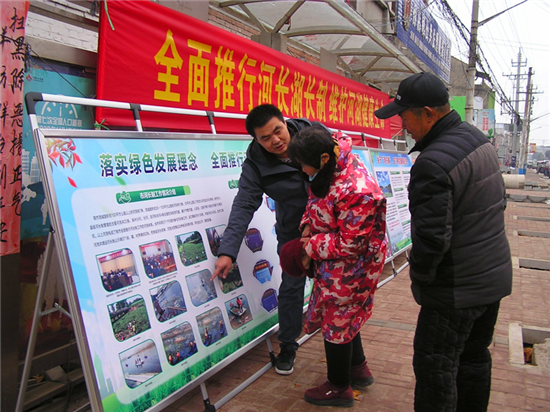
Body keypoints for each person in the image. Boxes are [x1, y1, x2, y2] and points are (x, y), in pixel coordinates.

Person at [374, 72, 512, 412]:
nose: (403, 126)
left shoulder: (433, 163)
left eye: (404, 116)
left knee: (436, 367)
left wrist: (422, 280)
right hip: (491, 278)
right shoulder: (477, 140)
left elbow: (432, 240)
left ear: (428, 114)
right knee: (473, 358)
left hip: (456, 289)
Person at [211, 103, 329, 375]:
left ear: (285, 122)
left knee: (338, 283)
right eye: (265, 137)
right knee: (291, 285)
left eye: (278, 131)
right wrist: (227, 251)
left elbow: (343, 166)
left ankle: (353, 357)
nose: (275, 140)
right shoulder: (256, 165)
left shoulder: (314, 134)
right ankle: (287, 345)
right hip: (293, 229)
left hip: (330, 222)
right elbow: (243, 205)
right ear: (256, 139)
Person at [283, 128, 387, 407]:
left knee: (337, 320)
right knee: (344, 316)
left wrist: (309, 246)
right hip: (335, 261)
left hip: (355, 267)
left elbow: (352, 242)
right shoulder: (331, 166)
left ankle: (339, 386)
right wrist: (307, 224)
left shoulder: (357, 189)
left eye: (305, 165)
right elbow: (317, 200)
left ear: (324, 158)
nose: (304, 171)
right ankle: (358, 368)